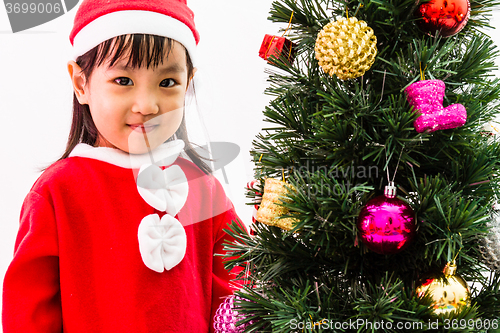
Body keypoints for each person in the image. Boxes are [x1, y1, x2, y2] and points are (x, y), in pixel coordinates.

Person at [2, 0, 246, 332]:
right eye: (123, 81)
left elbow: (244, 295)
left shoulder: (205, 190)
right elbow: (28, 313)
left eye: (167, 82)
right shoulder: (58, 191)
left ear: (188, 82)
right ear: (81, 83)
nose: (147, 105)